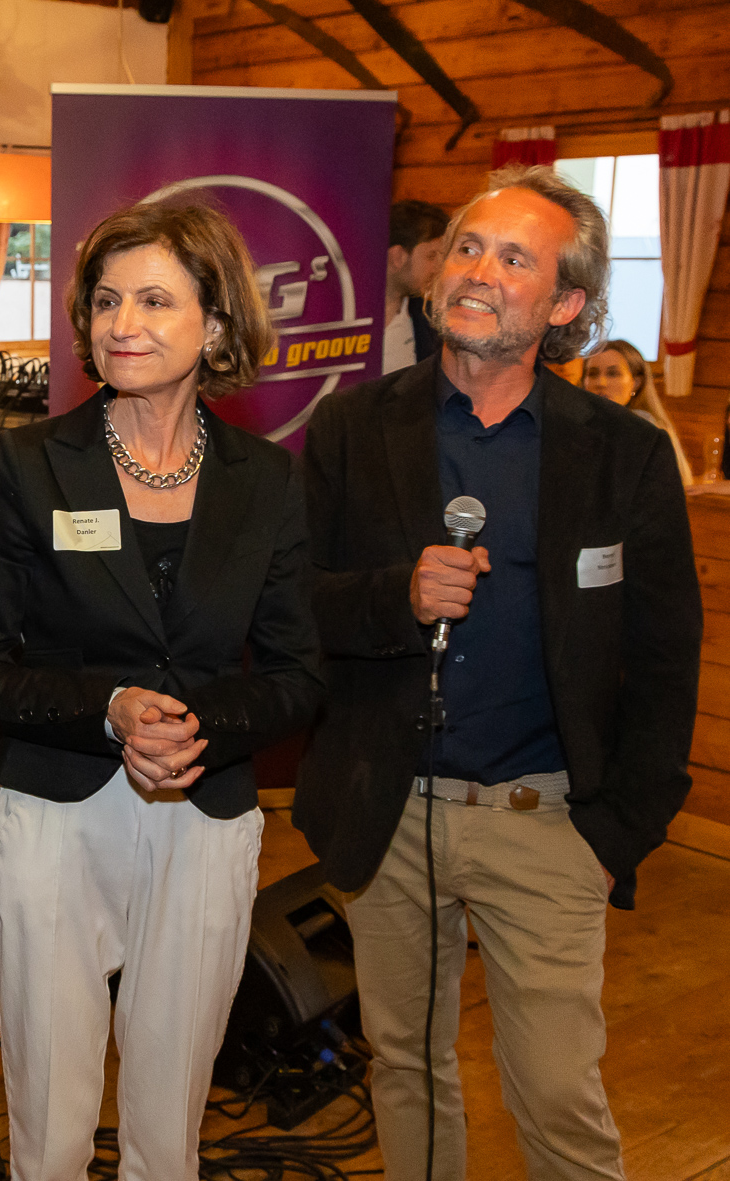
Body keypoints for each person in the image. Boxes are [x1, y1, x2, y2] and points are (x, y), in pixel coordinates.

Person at [296, 164, 702, 1180]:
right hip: (390, 815)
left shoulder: (622, 454)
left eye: (514, 258)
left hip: (548, 821)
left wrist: (617, 832)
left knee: (558, 1093)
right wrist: (395, 596)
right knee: (404, 1068)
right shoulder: (351, 427)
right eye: (468, 248)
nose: (477, 271)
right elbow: (291, 607)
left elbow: (664, 657)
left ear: (564, 305)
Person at [0, 199, 324, 1181]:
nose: (122, 323)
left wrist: (201, 724)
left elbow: (297, 675)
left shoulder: (266, 480)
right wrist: (108, 709)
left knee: (169, 1124)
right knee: (50, 1124)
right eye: (106, 300)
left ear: (216, 322)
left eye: (155, 301)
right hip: (52, 810)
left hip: (203, 811)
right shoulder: (27, 467)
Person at [584, 338, 695, 484]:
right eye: (592, 374)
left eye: (613, 374)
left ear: (636, 383)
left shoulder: (643, 428)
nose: (601, 383)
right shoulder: (581, 424)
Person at [382, 199, 449, 373]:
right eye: (431, 256)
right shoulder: (346, 319)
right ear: (397, 256)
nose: (439, 268)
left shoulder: (432, 322)